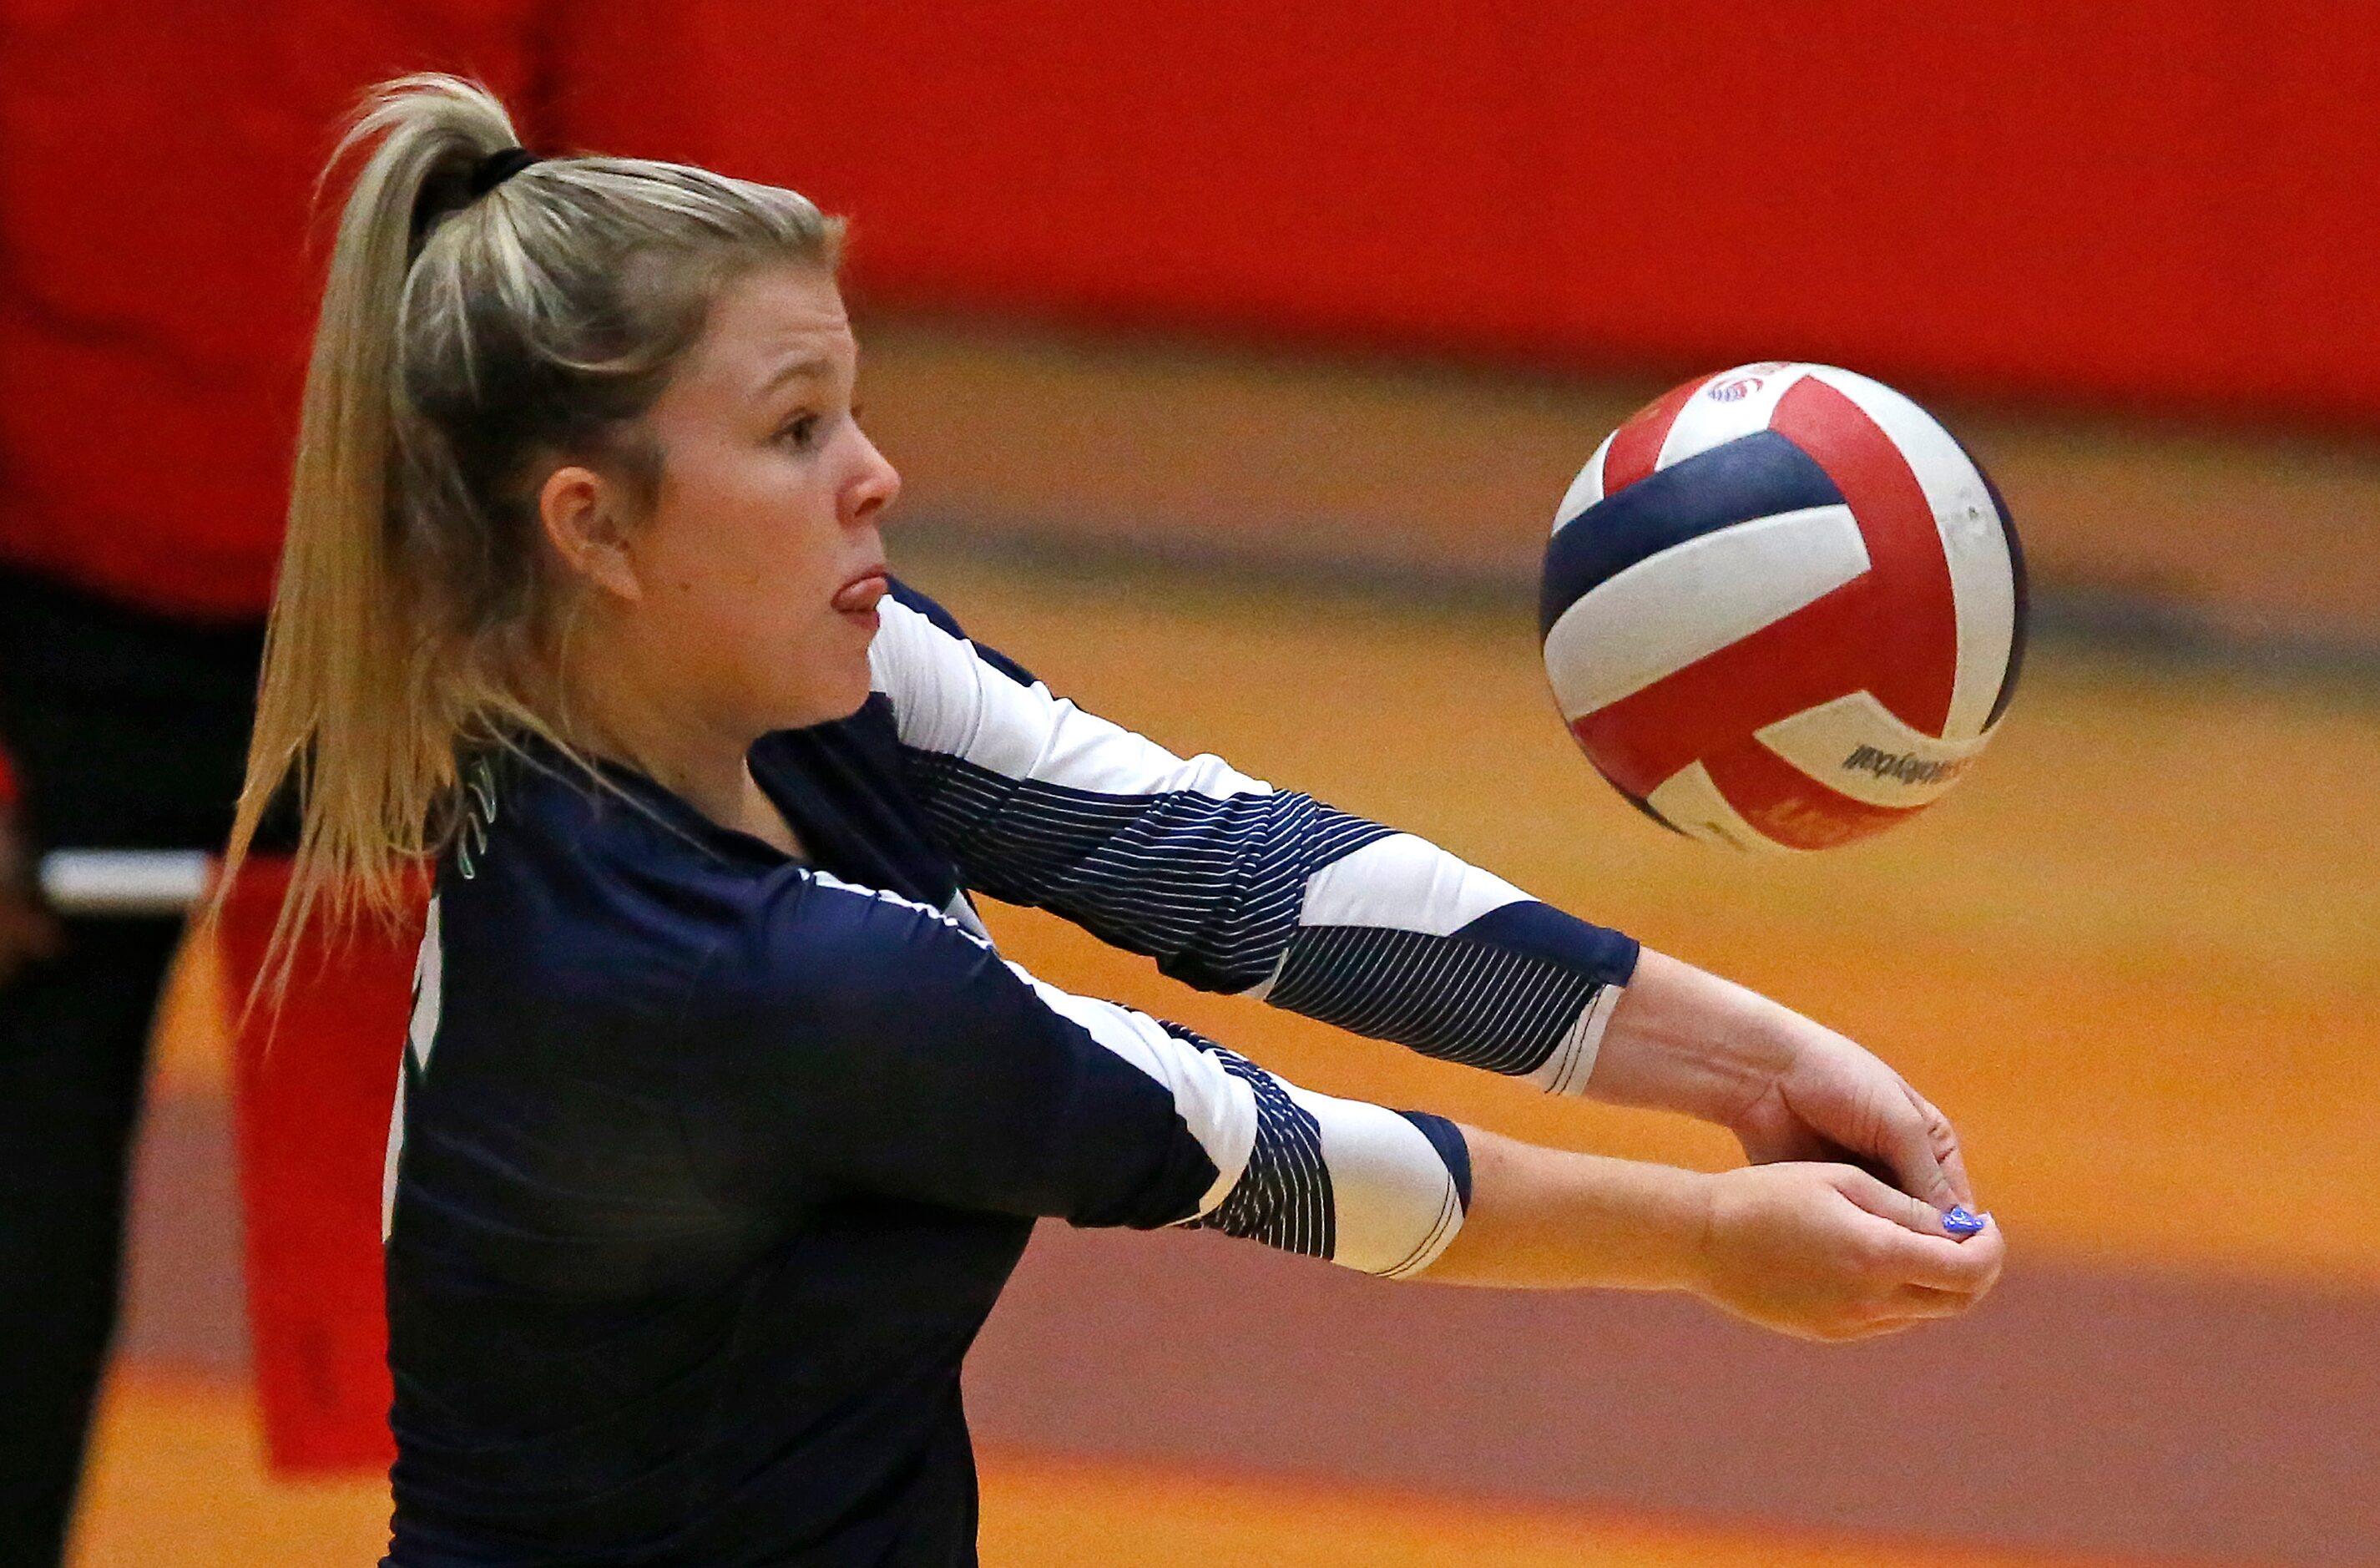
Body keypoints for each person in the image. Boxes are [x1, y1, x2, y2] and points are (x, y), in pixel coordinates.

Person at [223, 73, 2004, 1568]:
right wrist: (1708, 1244)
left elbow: (1223, 865)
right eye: (792, 429)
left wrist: (1750, 1066)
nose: (874, 473)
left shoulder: (778, 692)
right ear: (595, 528)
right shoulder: (728, 982)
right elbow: (1263, 1149)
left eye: (850, 403)